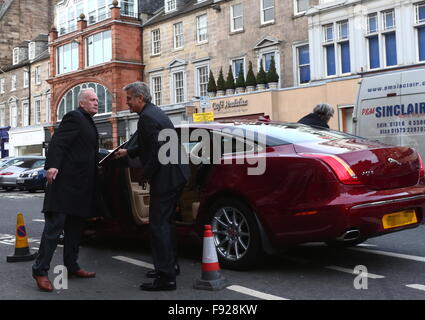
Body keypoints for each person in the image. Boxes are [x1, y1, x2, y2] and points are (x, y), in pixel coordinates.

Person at [114, 81, 190, 291]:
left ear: (141, 98)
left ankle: (166, 278)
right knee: (167, 223)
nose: (127, 103)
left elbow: (157, 152)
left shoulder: (147, 118)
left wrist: (144, 174)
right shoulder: (155, 113)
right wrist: (129, 152)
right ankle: (170, 266)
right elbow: (150, 143)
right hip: (176, 174)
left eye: (129, 99)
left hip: (167, 177)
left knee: (158, 225)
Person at [32, 88, 99, 292]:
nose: (97, 102)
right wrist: (51, 165)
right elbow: (58, 143)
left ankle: (72, 265)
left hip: (80, 187)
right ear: (82, 103)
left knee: (74, 230)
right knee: (54, 230)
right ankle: (40, 271)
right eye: (92, 99)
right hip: (64, 185)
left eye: (97, 99)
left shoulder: (88, 121)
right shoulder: (74, 117)